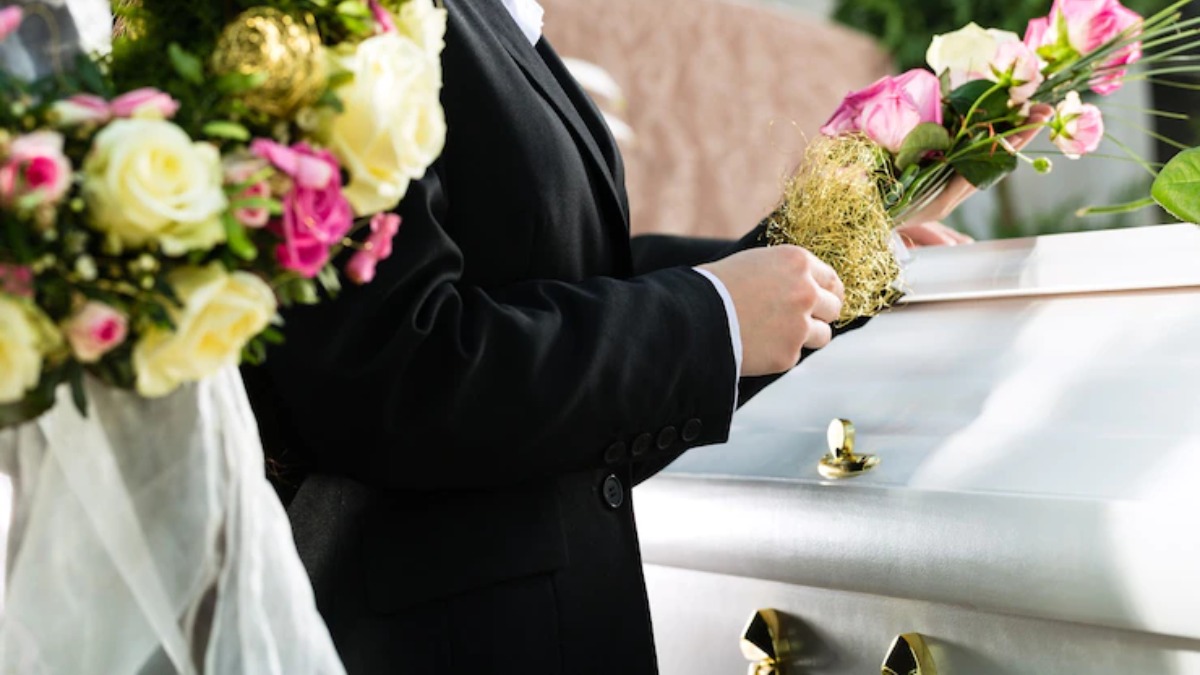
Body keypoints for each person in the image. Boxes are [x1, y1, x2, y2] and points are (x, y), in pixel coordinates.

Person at [245, 0, 985, 672]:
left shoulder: (485, 18)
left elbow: (567, 276)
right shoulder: (350, 18)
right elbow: (399, 370)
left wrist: (835, 250)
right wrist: (715, 318)